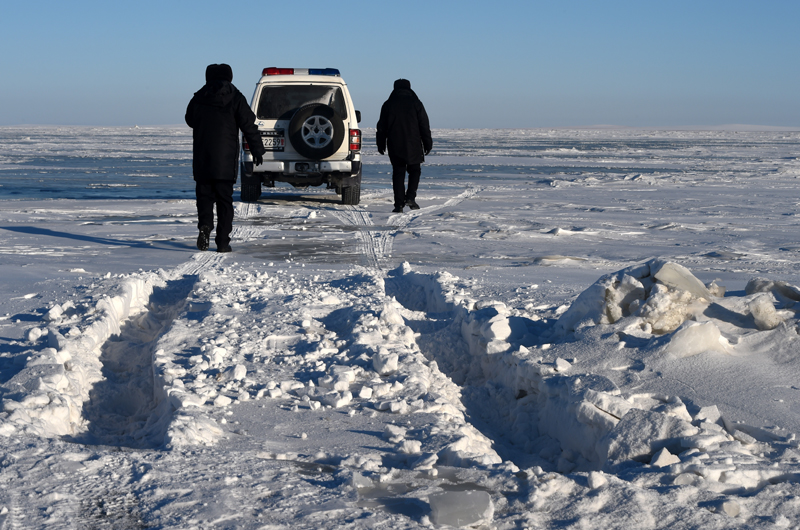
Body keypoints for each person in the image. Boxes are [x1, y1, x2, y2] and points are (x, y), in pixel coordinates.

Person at [185, 63, 265, 252]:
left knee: (204, 197)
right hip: (225, 160)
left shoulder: (198, 97)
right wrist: (257, 150)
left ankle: (205, 226)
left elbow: (190, 120)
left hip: (203, 158)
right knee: (224, 201)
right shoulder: (236, 97)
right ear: (230, 76)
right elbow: (249, 125)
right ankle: (222, 243)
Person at [376, 79, 433, 213]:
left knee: (398, 173)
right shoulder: (416, 103)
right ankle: (410, 198)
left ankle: (398, 204)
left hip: (395, 145)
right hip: (413, 144)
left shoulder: (388, 104)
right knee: (415, 170)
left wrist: (381, 143)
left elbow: (381, 127)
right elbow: (424, 125)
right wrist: (427, 143)